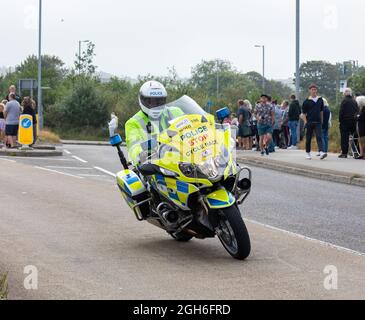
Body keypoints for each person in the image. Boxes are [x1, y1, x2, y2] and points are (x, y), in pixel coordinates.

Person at [125, 80, 184, 164]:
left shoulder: (176, 112)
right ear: (141, 99)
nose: (155, 105)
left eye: (159, 102)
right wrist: (143, 154)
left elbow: (190, 129)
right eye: (150, 102)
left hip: (181, 161)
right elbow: (134, 147)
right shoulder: (133, 123)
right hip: (152, 165)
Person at [302, 84, 326, 160]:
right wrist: (305, 121)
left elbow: (321, 111)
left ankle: (321, 152)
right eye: (312, 89)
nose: (314, 91)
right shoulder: (306, 101)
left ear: (316, 90)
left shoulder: (320, 100)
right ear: (309, 91)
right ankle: (307, 153)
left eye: (315, 89)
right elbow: (303, 114)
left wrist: (322, 120)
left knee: (319, 136)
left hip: (318, 122)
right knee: (308, 138)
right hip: (309, 122)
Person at [338, 88, 359, 158]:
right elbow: (357, 111)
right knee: (352, 137)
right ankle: (355, 152)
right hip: (353, 122)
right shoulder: (354, 101)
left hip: (345, 122)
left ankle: (344, 153)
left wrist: (340, 121)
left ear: (344, 93)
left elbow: (341, 112)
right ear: (351, 93)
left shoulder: (344, 101)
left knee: (344, 137)